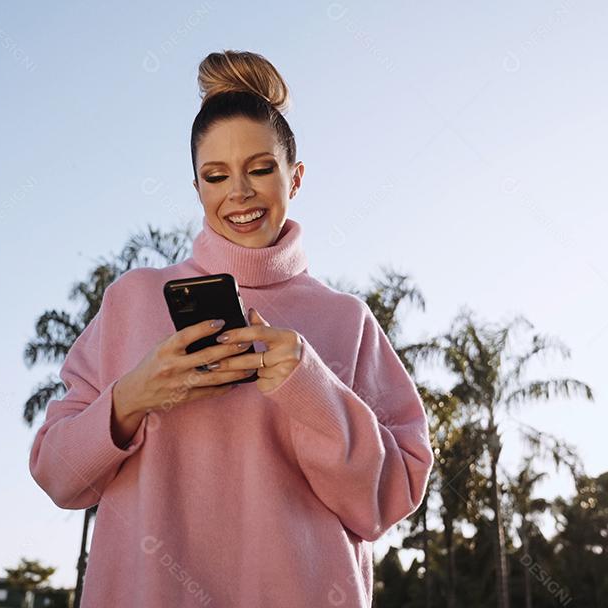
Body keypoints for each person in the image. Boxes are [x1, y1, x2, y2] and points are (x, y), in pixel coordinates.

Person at [29, 49, 434, 608]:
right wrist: (130, 399)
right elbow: (57, 474)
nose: (238, 193)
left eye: (260, 169)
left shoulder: (347, 320)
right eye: (215, 176)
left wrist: (312, 388)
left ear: (295, 176)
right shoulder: (132, 302)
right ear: (197, 188)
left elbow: (392, 497)